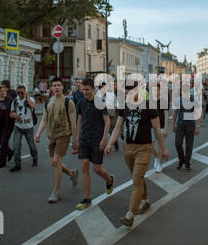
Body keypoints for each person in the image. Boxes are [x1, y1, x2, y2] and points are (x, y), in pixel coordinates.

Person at [104, 82, 169, 228]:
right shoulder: (124, 106)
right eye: (126, 92)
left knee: (137, 179)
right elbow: (118, 127)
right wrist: (110, 143)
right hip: (129, 147)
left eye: (130, 91)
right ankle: (145, 200)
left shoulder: (149, 106)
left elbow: (157, 130)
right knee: (137, 176)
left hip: (144, 147)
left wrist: (163, 149)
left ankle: (130, 214)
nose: (128, 94)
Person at [35, 77, 78, 203]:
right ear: (51, 88)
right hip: (51, 136)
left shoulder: (68, 102)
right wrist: (38, 133)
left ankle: (56, 191)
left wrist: (75, 138)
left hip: (64, 135)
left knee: (57, 161)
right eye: (54, 85)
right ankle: (71, 174)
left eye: (59, 85)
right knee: (54, 163)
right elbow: (44, 119)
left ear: (62, 87)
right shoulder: (48, 101)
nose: (57, 87)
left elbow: (73, 121)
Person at [75, 78, 114, 210]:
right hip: (84, 139)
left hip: (97, 139)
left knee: (96, 169)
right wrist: (76, 137)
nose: (85, 92)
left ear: (93, 89)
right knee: (84, 165)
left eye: (87, 89)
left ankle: (109, 180)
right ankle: (87, 198)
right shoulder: (80, 102)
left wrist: (104, 139)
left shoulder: (100, 102)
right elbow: (79, 120)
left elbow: (107, 121)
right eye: (83, 89)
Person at [10, 85, 39, 172]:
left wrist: (27, 97)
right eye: (18, 92)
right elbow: (11, 113)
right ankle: (17, 164)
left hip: (28, 127)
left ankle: (35, 157)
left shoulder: (30, 99)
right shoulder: (15, 101)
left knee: (31, 145)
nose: (20, 94)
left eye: (21, 92)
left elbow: (33, 106)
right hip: (18, 127)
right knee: (16, 145)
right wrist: (14, 115)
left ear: (25, 91)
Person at [172, 83, 201, 171]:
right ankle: (181, 160)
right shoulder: (178, 100)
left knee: (189, 145)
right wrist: (173, 125)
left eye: (187, 92)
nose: (185, 94)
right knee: (178, 143)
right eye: (184, 92)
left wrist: (198, 126)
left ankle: (187, 162)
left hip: (190, 124)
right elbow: (175, 113)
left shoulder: (193, 100)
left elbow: (198, 113)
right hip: (180, 124)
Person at [152, 82, 169, 173]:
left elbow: (166, 115)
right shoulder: (150, 101)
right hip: (151, 127)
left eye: (157, 90)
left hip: (161, 126)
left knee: (159, 146)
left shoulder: (163, 101)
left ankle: (159, 164)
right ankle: (156, 157)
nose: (155, 92)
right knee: (150, 145)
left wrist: (166, 129)